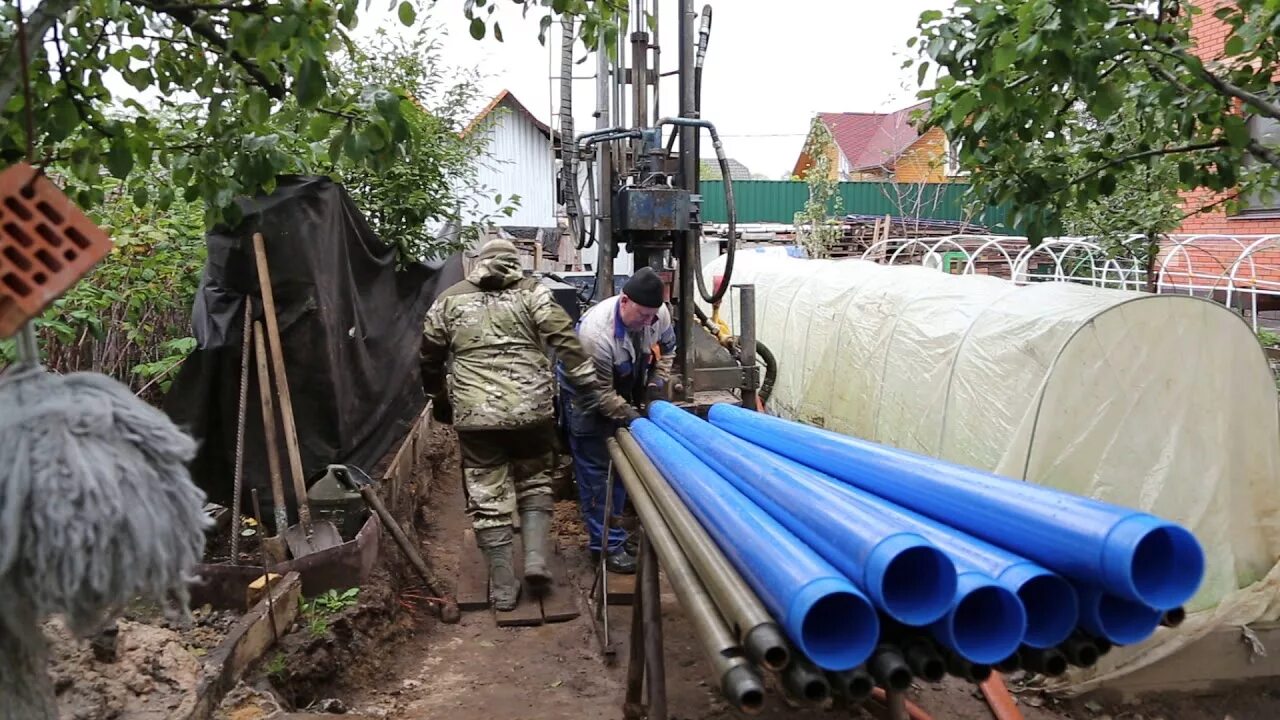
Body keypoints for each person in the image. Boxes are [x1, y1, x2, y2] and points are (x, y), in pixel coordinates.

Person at [420, 239, 603, 611]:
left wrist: (439, 399)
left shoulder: (448, 300)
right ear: (513, 262)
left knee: (488, 495)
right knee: (534, 479)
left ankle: (503, 589)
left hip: (476, 416)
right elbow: (566, 342)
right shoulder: (534, 294)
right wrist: (595, 392)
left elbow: (429, 357)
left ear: (479, 263)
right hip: (531, 412)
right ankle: (535, 559)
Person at [560, 267, 676, 574]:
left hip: (622, 380)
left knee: (624, 466)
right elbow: (600, 395)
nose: (648, 322)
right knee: (598, 471)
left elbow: (667, 351)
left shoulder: (657, 314)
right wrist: (635, 418)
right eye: (642, 316)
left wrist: (655, 384)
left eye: (653, 315)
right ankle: (606, 547)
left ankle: (617, 536)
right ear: (624, 301)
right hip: (586, 394)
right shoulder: (595, 336)